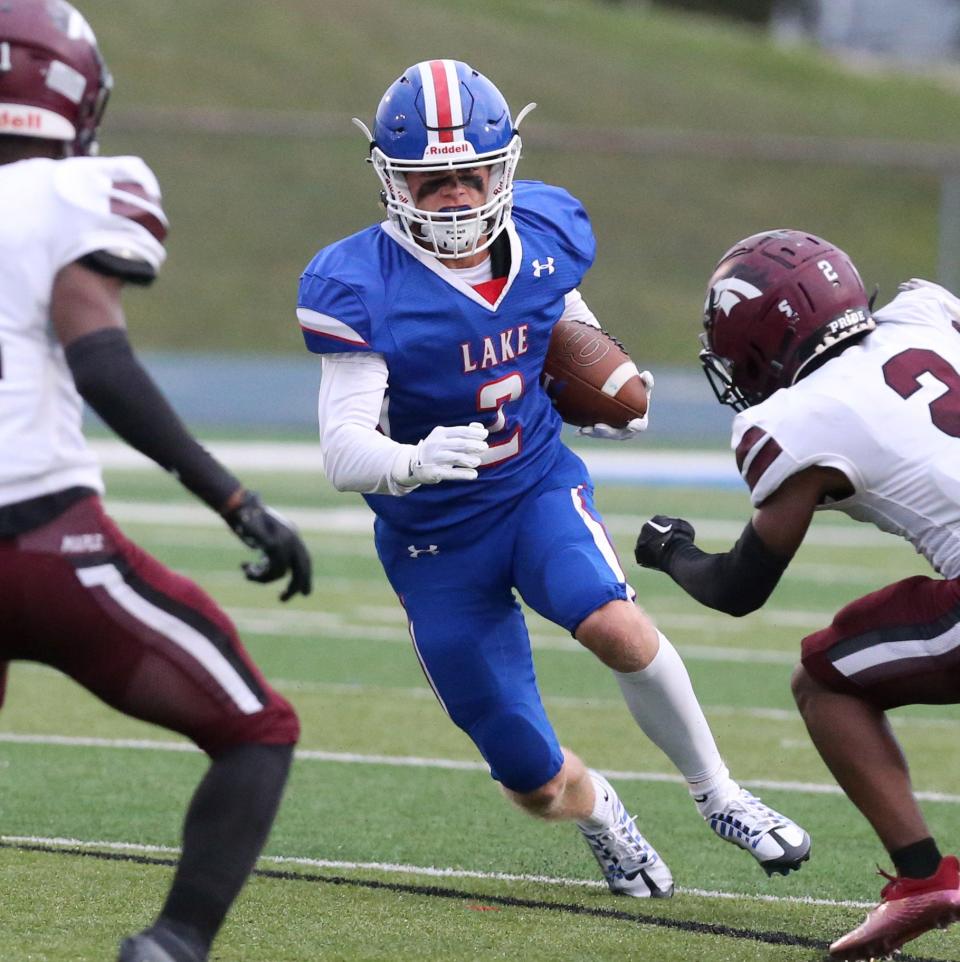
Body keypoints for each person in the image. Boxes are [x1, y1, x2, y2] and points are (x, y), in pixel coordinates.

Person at [296, 59, 810, 899]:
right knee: (530, 776)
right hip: (435, 540)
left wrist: (609, 382)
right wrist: (413, 462)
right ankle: (603, 811)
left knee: (618, 626)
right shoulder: (360, 283)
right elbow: (342, 449)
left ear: (504, 170)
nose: (456, 197)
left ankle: (721, 793)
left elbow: (559, 313)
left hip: (533, 487)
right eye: (431, 183)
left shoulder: (545, 233)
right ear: (393, 184)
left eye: (472, 175)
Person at [0, 3, 313, 961]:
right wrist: (235, 500)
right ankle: (172, 945)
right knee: (259, 727)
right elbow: (100, 363)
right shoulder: (66, 197)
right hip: (40, 542)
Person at [634, 227, 960, 958]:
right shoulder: (923, 315)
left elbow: (740, 587)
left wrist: (672, 551)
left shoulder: (796, 417)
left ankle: (923, 879)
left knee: (825, 683)